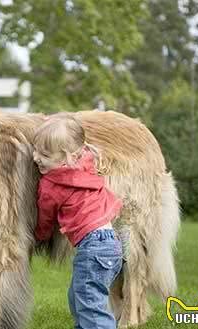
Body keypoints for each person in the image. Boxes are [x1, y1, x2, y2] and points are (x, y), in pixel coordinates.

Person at [32, 115, 123, 329]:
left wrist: (39, 236)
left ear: (67, 158)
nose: (35, 157)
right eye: (35, 150)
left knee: (90, 305)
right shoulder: (85, 164)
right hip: (112, 245)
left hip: (93, 248)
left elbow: (45, 218)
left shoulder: (51, 184)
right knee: (80, 297)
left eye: (44, 154)